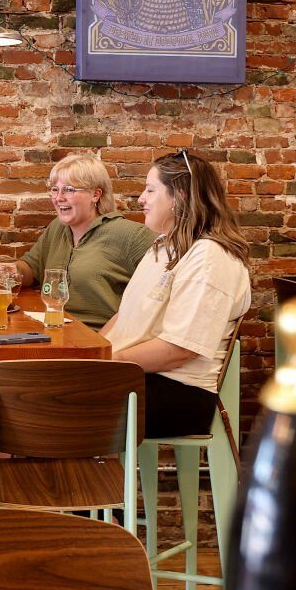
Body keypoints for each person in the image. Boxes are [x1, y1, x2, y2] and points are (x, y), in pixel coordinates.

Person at [102, 150, 251, 439]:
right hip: (139, 377)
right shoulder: (163, 246)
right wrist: (90, 355)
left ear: (179, 195)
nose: (141, 199)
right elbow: (125, 317)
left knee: (45, 403)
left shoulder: (210, 256)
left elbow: (180, 349)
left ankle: (73, 484)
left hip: (177, 392)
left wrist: (107, 363)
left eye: (150, 189)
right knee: (25, 393)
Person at [0, 154, 154, 327]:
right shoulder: (57, 227)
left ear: (96, 194)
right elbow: (32, 268)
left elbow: (161, 296)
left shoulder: (133, 235)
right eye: (55, 190)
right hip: (52, 329)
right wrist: (12, 270)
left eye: (69, 190)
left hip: (99, 338)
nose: (59, 198)